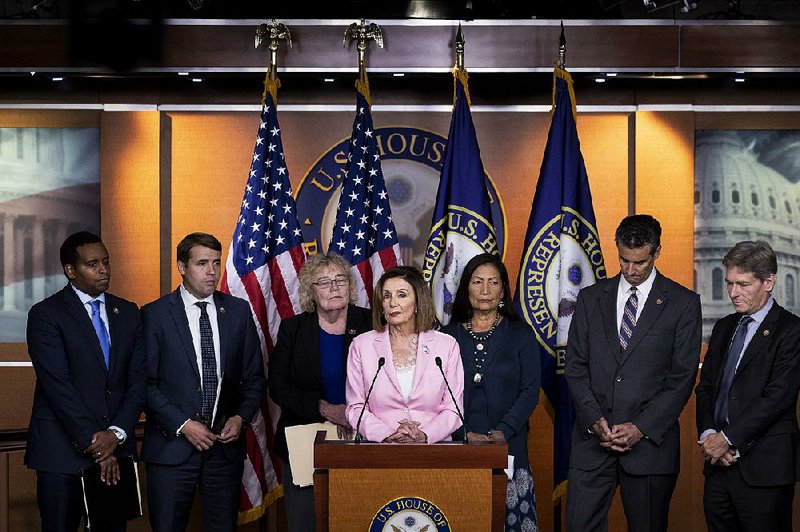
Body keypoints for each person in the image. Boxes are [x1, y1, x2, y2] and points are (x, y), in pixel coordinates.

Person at [564, 214, 702, 532]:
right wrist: (593, 418)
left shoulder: (683, 303)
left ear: (656, 252)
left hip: (650, 450)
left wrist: (640, 427)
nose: (630, 270)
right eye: (624, 260)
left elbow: (681, 378)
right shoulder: (589, 299)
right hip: (592, 445)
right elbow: (575, 367)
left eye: (639, 262)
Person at [141, 232, 265, 532]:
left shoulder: (237, 311)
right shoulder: (154, 315)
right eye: (202, 263)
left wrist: (240, 417)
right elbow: (144, 384)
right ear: (182, 267)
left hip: (223, 453)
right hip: (171, 450)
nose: (212, 271)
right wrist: (184, 424)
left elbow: (254, 379)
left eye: (216, 263)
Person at [25, 231, 146, 532]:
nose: (103, 270)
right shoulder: (46, 315)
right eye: (93, 264)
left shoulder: (128, 312)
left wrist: (115, 435)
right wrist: (99, 445)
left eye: (106, 262)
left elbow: (139, 380)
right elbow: (58, 386)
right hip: (61, 455)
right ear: (70, 270)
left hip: (116, 452)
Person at [695, 241, 800, 532]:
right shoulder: (724, 327)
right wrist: (709, 436)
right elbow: (706, 388)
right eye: (729, 283)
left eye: (743, 284)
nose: (732, 293)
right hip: (718, 467)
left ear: (769, 282)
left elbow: (777, 397)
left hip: (764, 468)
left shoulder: (791, 331)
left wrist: (727, 438)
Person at [268, 253, 372, 531]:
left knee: (359, 519)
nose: (334, 287)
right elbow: (277, 387)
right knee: (305, 522)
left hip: (364, 438)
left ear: (350, 286)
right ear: (310, 291)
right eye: (324, 282)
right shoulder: (294, 329)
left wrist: (354, 414)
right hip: (305, 440)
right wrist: (325, 409)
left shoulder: (370, 323)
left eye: (340, 280)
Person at [442, 253, 540, 532]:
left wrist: (504, 431)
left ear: (503, 290)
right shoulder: (446, 336)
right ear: (466, 288)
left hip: (508, 444)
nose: (485, 290)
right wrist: (462, 434)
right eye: (477, 282)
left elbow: (530, 390)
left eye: (493, 282)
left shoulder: (521, 334)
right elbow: (437, 394)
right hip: (458, 445)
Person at [345, 266, 463, 444]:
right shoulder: (361, 345)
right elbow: (355, 408)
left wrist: (424, 435)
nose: (393, 303)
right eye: (386, 296)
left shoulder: (446, 346)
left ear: (418, 301)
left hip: (434, 451)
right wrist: (387, 434)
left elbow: (453, 409)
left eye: (401, 295)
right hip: (380, 450)